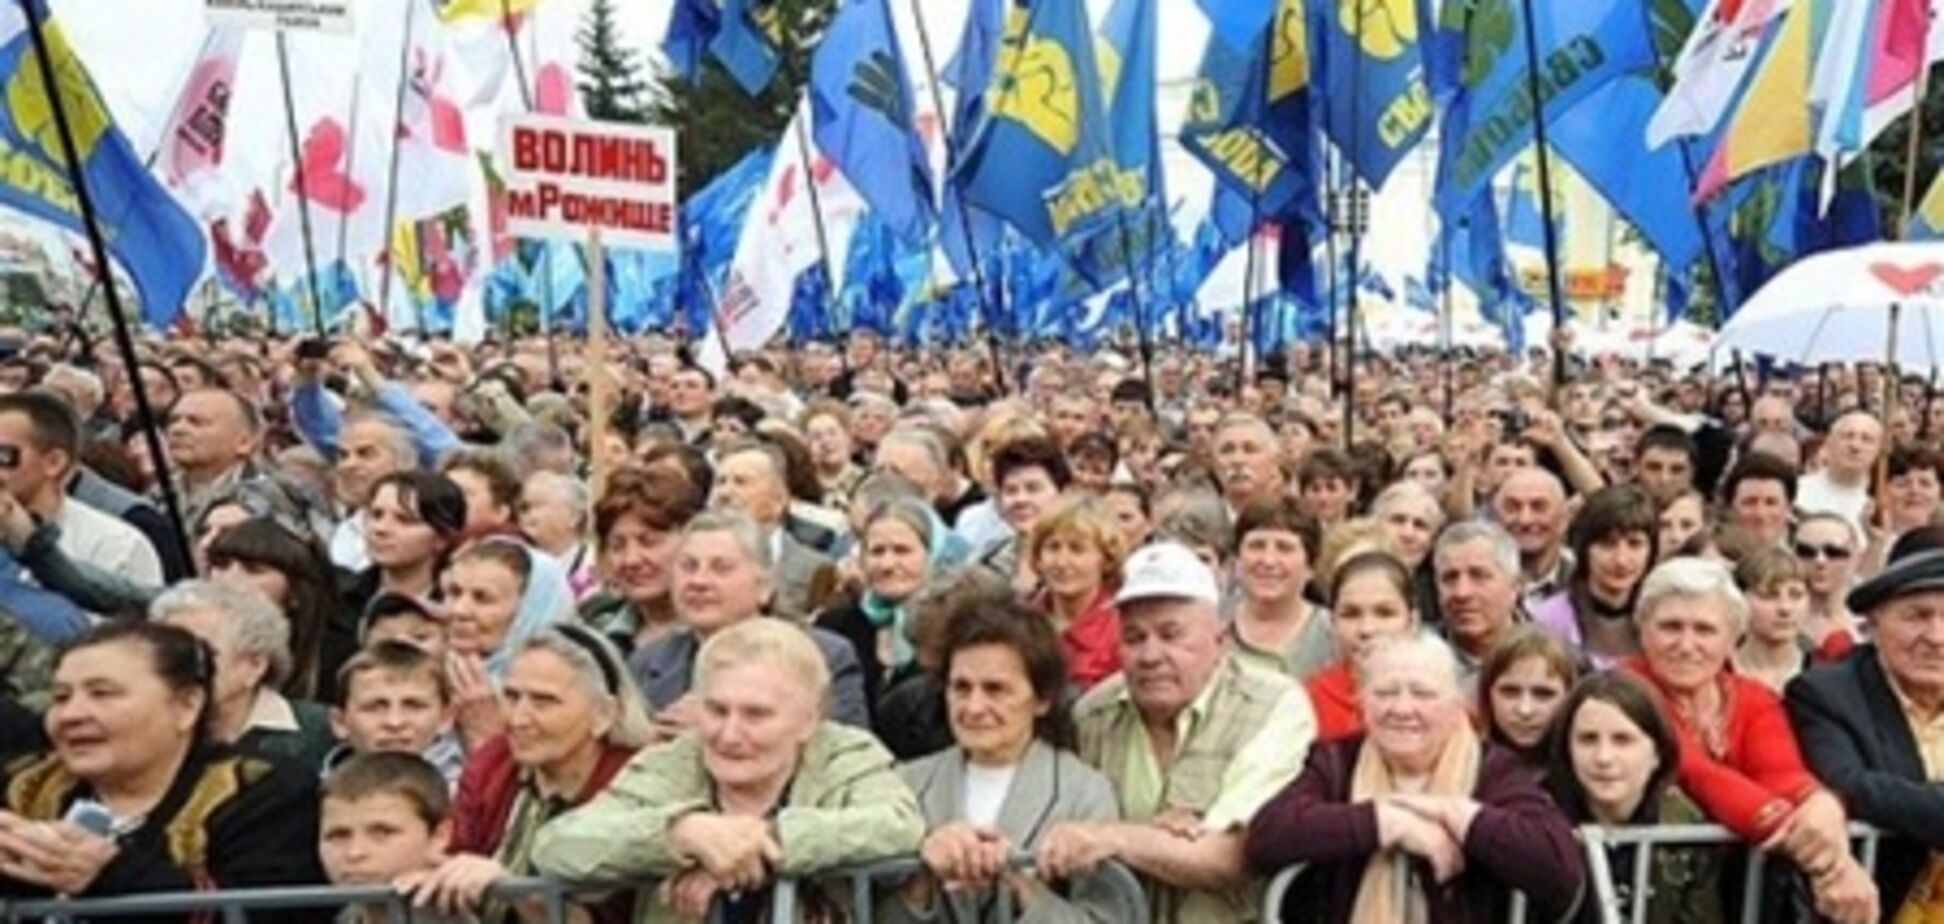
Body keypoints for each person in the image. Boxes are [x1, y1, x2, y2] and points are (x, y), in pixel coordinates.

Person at [529, 618, 925, 923]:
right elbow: (558, 845)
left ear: (809, 721)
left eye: (756, 714)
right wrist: (681, 834)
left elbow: (899, 825)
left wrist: (762, 844)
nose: (729, 734)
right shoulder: (675, 760)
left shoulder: (844, 752)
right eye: (716, 710)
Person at [1052, 542, 1316, 923]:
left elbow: (1230, 858)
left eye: (1171, 634)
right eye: (1134, 637)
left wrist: (1112, 837)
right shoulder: (1093, 714)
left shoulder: (1273, 704)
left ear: (1219, 640)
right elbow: (1066, 842)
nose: (1150, 655)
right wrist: (1160, 842)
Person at [1245, 633, 1586, 924]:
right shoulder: (1335, 761)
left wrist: (1456, 815)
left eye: (1422, 694)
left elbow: (1559, 870)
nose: (1403, 709)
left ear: (1456, 707)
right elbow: (1267, 837)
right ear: (1361, 702)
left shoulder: (1495, 770)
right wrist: (1387, 822)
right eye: (1385, 693)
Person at [1622, 558, 1879, 924]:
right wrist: (1832, 864)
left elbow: (1782, 773)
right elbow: (1698, 773)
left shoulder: (1753, 698)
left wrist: (1821, 804)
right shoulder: (1624, 690)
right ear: (1642, 628)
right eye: (1670, 627)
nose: (1686, 644)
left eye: (1705, 630)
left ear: (1732, 638)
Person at [0, 622, 324, 900]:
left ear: (186, 706)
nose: (71, 714)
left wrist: (111, 874)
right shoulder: (21, 784)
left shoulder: (265, 790)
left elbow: (262, 914)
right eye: (60, 697)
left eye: (102, 693)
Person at [884, 600, 1124, 923]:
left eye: (995, 689)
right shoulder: (905, 784)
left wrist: (1018, 885)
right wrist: (923, 878)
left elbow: (1105, 918)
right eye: (961, 688)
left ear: (1042, 699)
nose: (973, 707)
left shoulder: (1084, 791)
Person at [409, 626, 649, 924]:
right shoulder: (492, 764)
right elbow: (458, 854)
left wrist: (511, 888)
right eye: (511, 696)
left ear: (603, 715)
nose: (517, 719)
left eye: (543, 701)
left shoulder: (638, 785)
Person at [1787, 548, 1944, 919]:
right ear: (1872, 625)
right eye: (1917, 616)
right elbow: (1851, 783)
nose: (1937, 637)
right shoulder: (1827, 694)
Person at [629, 511, 868, 734]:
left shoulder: (825, 657)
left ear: (764, 586)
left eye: (721, 568)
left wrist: (716, 727)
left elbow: (843, 758)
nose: (698, 581)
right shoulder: (646, 663)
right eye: (688, 567)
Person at [1548, 673, 1727, 924]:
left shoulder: (1687, 828)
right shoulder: (1540, 818)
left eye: (1623, 740)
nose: (1603, 757)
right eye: (1588, 739)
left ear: (1657, 753)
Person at [152, 580, 337, 770]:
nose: (177, 664)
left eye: (202, 652)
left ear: (254, 666)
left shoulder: (321, 732)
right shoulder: (143, 729)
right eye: (166, 651)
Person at [817, 498, 955, 715]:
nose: (887, 564)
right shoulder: (835, 625)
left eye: (902, 551)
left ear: (932, 555)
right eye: (877, 552)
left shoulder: (953, 627)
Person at [440, 540, 577, 744]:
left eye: (482, 598)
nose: (459, 610)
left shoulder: (569, 691)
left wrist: (486, 736)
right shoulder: (428, 669)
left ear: (529, 611)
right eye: (454, 592)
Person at [319, 753, 463, 924]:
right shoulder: (346, 917)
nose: (354, 853)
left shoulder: (481, 910)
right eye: (338, 836)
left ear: (439, 837)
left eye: (382, 833)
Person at [1531, 485, 1658, 670]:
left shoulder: (1660, 617)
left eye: (1635, 544)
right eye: (1608, 544)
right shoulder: (1549, 620)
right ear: (1584, 549)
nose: (1621, 560)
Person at [581, 466, 701, 655]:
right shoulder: (594, 627)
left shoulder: (716, 633)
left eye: (648, 542)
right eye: (618, 546)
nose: (632, 560)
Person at [1308, 551, 1422, 742]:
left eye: (1384, 613)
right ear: (1331, 623)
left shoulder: (1442, 703)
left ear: (1412, 622)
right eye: (1350, 614)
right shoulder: (1306, 702)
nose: (1366, 629)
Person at [325, 641, 463, 783]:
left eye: (414, 706)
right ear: (340, 722)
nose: (394, 722)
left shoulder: (470, 797)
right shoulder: (306, 796)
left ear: (445, 718)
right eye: (375, 707)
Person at [1027, 495, 1125, 689]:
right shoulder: (1020, 619)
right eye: (1053, 547)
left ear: (1106, 559)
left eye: (1077, 549)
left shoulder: (1123, 626)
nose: (1062, 562)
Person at [1229, 497, 1333, 680]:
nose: (1268, 561)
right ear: (1237, 558)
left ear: (1311, 566)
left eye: (1284, 548)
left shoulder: (1332, 635)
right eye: (1257, 546)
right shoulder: (1211, 624)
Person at [1432, 522, 1524, 687]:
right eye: (1450, 578)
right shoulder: (1414, 660)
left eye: (1479, 576)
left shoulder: (1557, 658)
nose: (1462, 593)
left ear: (1515, 586)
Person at [1733, 548, 1819, 692]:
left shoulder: (1823, 672)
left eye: (1796, 595)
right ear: (1741, 600)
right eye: (1769, 596)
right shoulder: (1716, 671)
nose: (1785, 608)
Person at [1796, 512, 1863, 658]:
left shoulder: (1872, 621)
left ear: (1857, 558)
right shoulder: (1775, 618)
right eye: (1806, 552)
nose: (1820, 561)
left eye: (1834, 552)